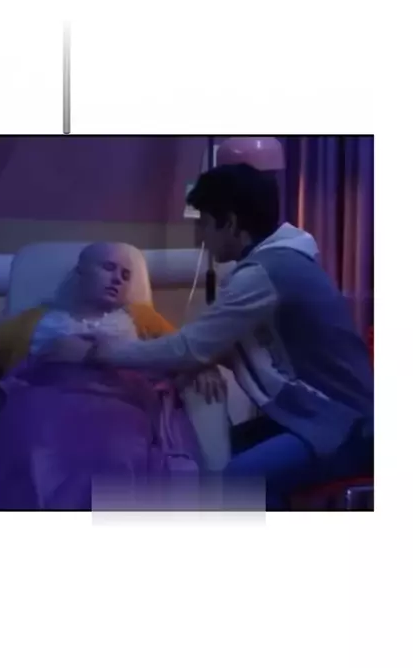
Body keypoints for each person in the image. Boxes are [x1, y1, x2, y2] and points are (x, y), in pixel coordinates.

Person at [87, 165, 374, 510]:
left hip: (347, 427)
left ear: (231, 223)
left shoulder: (266, 272)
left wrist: (103, 352)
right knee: (217, 459)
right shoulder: (279, 261)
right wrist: (200, 363)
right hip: (311, 416)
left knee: (235, 483)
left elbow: (189, 346)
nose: (200, 238)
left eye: (205, 224)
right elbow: (237, 344)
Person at [0, 243, 222, 511]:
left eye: (126, 275)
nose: (118, 278)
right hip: (43, 401)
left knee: (117, 453)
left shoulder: (140, 317)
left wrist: (202, 366)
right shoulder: (36, 320)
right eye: (108, 268)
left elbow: (183, 347)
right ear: (80, 272)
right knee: (31, 449)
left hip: (117, 405)